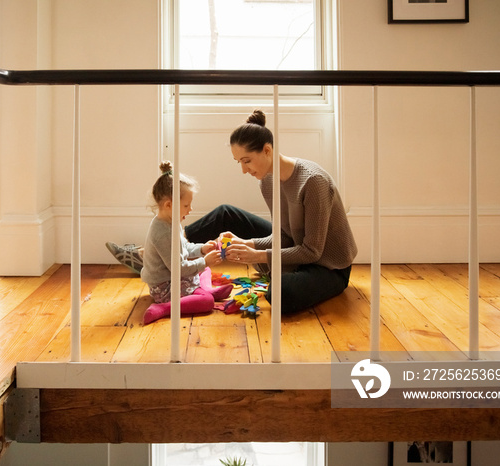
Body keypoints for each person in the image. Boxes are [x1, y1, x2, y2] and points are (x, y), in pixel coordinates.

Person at [108, 109, 357, 315]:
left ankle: (165, 256)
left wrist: (256, 256)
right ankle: (161, 250)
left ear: (267, 150)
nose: (243, 170)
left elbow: (312, 250)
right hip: (298, 248)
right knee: (226, 213)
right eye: (239, 162)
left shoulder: (312, 182)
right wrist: (246, 244)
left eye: (247, 161)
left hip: (327, 265)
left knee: (280, 293)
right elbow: (284, 235)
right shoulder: (267, 181)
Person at [139, 161, 233, 324]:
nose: (190, 209)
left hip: (174, 277)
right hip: (165, 287)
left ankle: (207, 290)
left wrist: (202, 249)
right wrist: (203, 261)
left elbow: (184, 248)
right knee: (207, 302)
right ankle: (164, 307)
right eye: (186, 205)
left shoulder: (170, 220)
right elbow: (179, 268)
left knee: (205, 269)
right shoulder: (163, 232)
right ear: (169, 205)